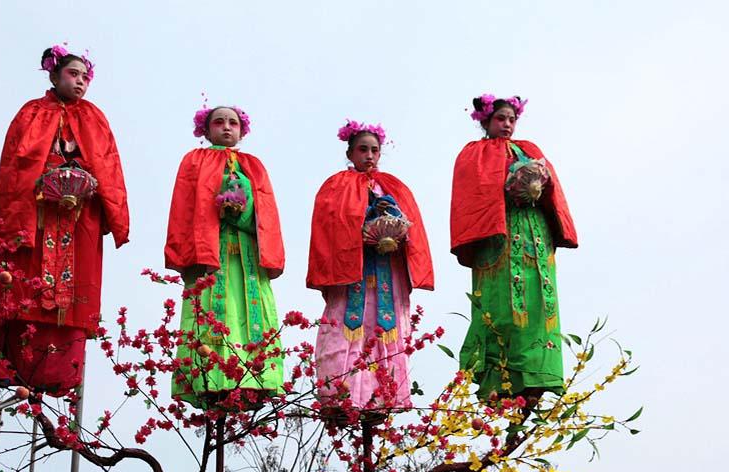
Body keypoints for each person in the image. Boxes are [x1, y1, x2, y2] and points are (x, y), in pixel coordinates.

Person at [0, 44, 129, 395]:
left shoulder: (95, 118)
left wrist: (105, 203)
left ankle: (58, 372)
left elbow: (109, 167)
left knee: (75, 294)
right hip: (36, 213)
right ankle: (11, 364)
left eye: (86, 77)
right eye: (73, 74)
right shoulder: (31, 113)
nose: (80, 82)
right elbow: (14, 168)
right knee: (21, 283)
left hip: (79, 216)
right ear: (54, 75)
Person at [451, 94, 578, 405]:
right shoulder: (474, 154)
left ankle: (537, 375)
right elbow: (473, 199)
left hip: (534, 234)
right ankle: (501, 379)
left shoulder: (529, 149)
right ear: (486, 121)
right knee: (501, 304)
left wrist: (537, 186)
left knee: (538, 303)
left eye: (512, 119)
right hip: (498, 236)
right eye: (501, 118)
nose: (507, 124)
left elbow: (552, 192)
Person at [308, 120, 432, 420]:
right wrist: (361, 221)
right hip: (351, 272)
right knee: (346, 327)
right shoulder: (336, 187)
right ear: (350, 153)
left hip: (388, 269)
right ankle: (342, 394)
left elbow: (413, 227)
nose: (369, 155)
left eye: (374, 150)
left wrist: (395, 224)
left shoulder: (394, 187)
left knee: (387, 327)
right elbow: (330, 227)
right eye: (362, 149)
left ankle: (381, 396)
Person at [165, 103, 285, 410]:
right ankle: (213, 376)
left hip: (246, 253)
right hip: (210, 249)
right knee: (210, 309)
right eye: (219, 122)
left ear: (242, 131)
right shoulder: (195, 161)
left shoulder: (253, 166)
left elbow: (265, 214)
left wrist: (241, 206)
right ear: (206, 130)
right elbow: (186, 208)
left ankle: (252, 377)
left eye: (233, 122)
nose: (227, 127)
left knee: (249, 310)